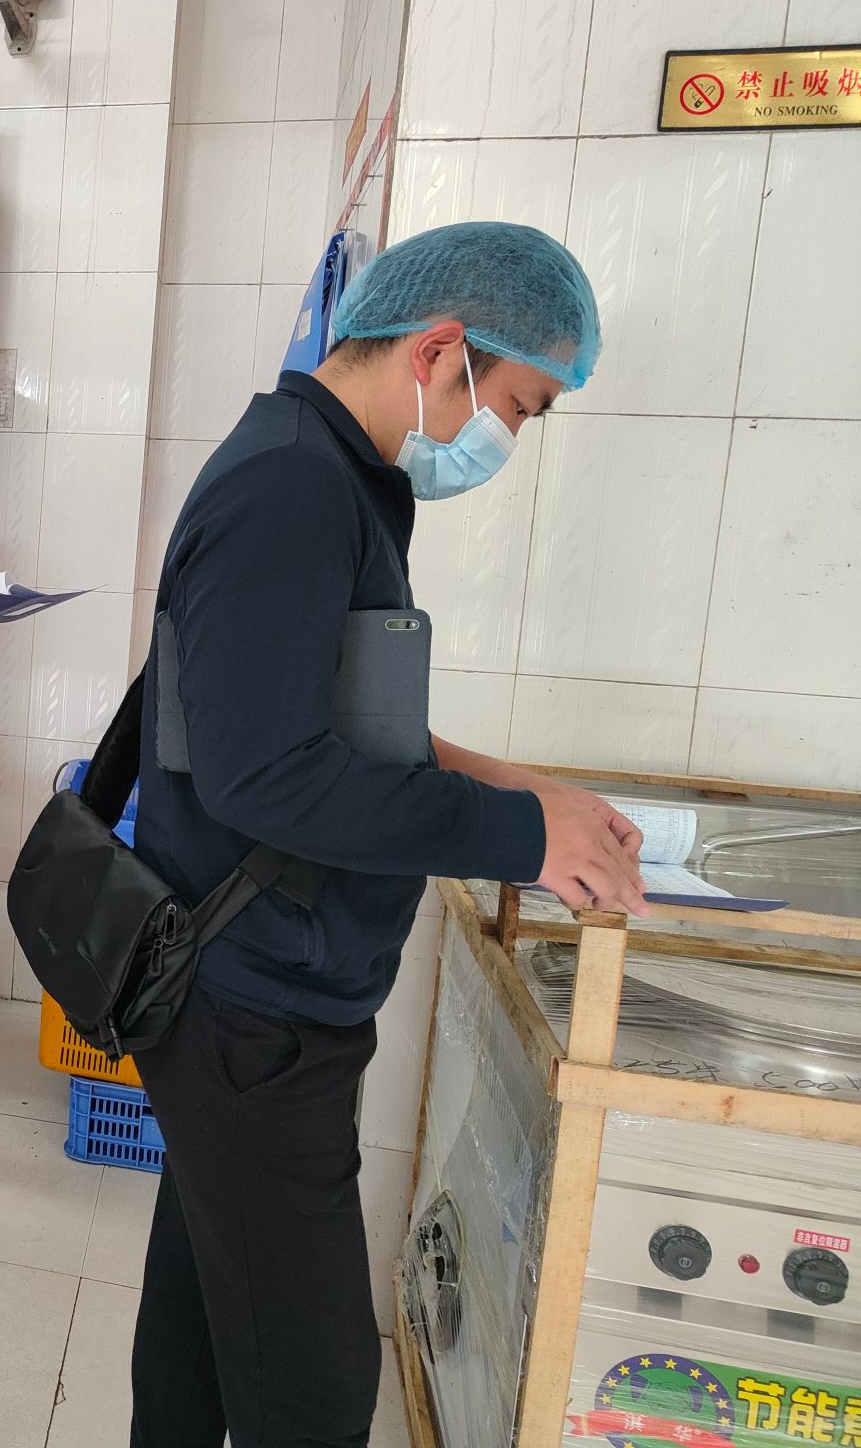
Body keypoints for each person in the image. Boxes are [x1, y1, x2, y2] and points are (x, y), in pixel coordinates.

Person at [126, 221, 649, 1448]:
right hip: (248, 1009)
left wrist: (517, 787)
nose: (504, 439)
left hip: (260, 986)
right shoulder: (290, 489)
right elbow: (268, 776)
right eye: (514, 408)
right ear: (438, 350)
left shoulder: (332, 472)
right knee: (312, 1398)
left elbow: (331, 716)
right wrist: (517, 836)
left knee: (201, 1323)